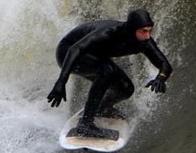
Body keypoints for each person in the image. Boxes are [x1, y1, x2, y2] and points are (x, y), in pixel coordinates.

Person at [46, 9, 174, 140]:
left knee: (125, 89)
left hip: (94, 56)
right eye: (143, 31)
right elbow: (75, 49)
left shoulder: (144, 42)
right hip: (67, 53)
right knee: (106, 70)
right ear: (131, 29)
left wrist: (160, 78)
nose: (147, 36)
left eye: (149, 30)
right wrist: (61, 81)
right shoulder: (108, 33)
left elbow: (165, 65)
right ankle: (85, 125)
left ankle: (102, 108)